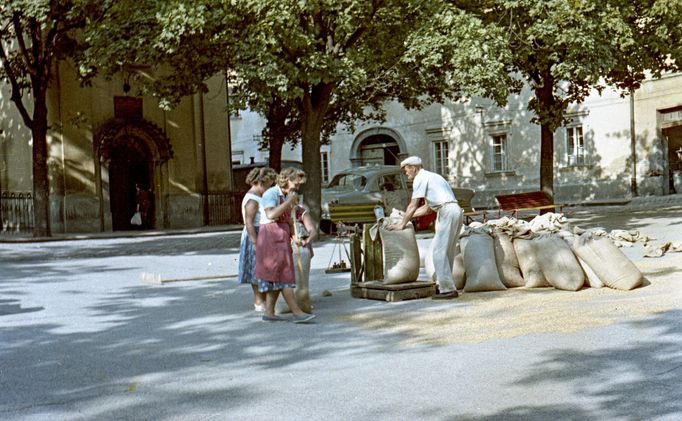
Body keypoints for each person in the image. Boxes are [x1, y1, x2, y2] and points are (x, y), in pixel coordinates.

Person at [387, 156, 463, 299]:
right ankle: (446, 285)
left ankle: (447, 289)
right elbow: (427, 209)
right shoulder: (433, 176)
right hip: (454, 209)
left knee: (438, 252)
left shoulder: (420, 178)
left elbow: (413, 204)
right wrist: (405, 215)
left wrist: (401, 224)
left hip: (446, 211)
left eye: (406, 170)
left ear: (413, 168)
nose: (406, 174)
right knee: (447, 251)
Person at [256, 167, 316, 323]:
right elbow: (271, 214)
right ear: (286, 179)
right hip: (271, 236)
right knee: (283, 276)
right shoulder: (271, 194)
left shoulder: (285, 195)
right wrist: (289, 202)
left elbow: (292, 217)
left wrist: (298, 233)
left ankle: (269, 312)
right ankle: (297, 312)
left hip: (280, 236)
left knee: (277, 275)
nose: (297, 187)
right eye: (295, 183)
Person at [237, 167, 277, 312]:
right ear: (262, 181)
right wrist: (256, 242)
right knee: (256, 270)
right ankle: (259, 301)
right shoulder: (252, 199)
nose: (270, 187)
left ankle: (263, 300)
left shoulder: (259, 196)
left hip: (262, 233)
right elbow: (248, 222)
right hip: (254, 234)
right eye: (269, 184)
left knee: (262, 269)